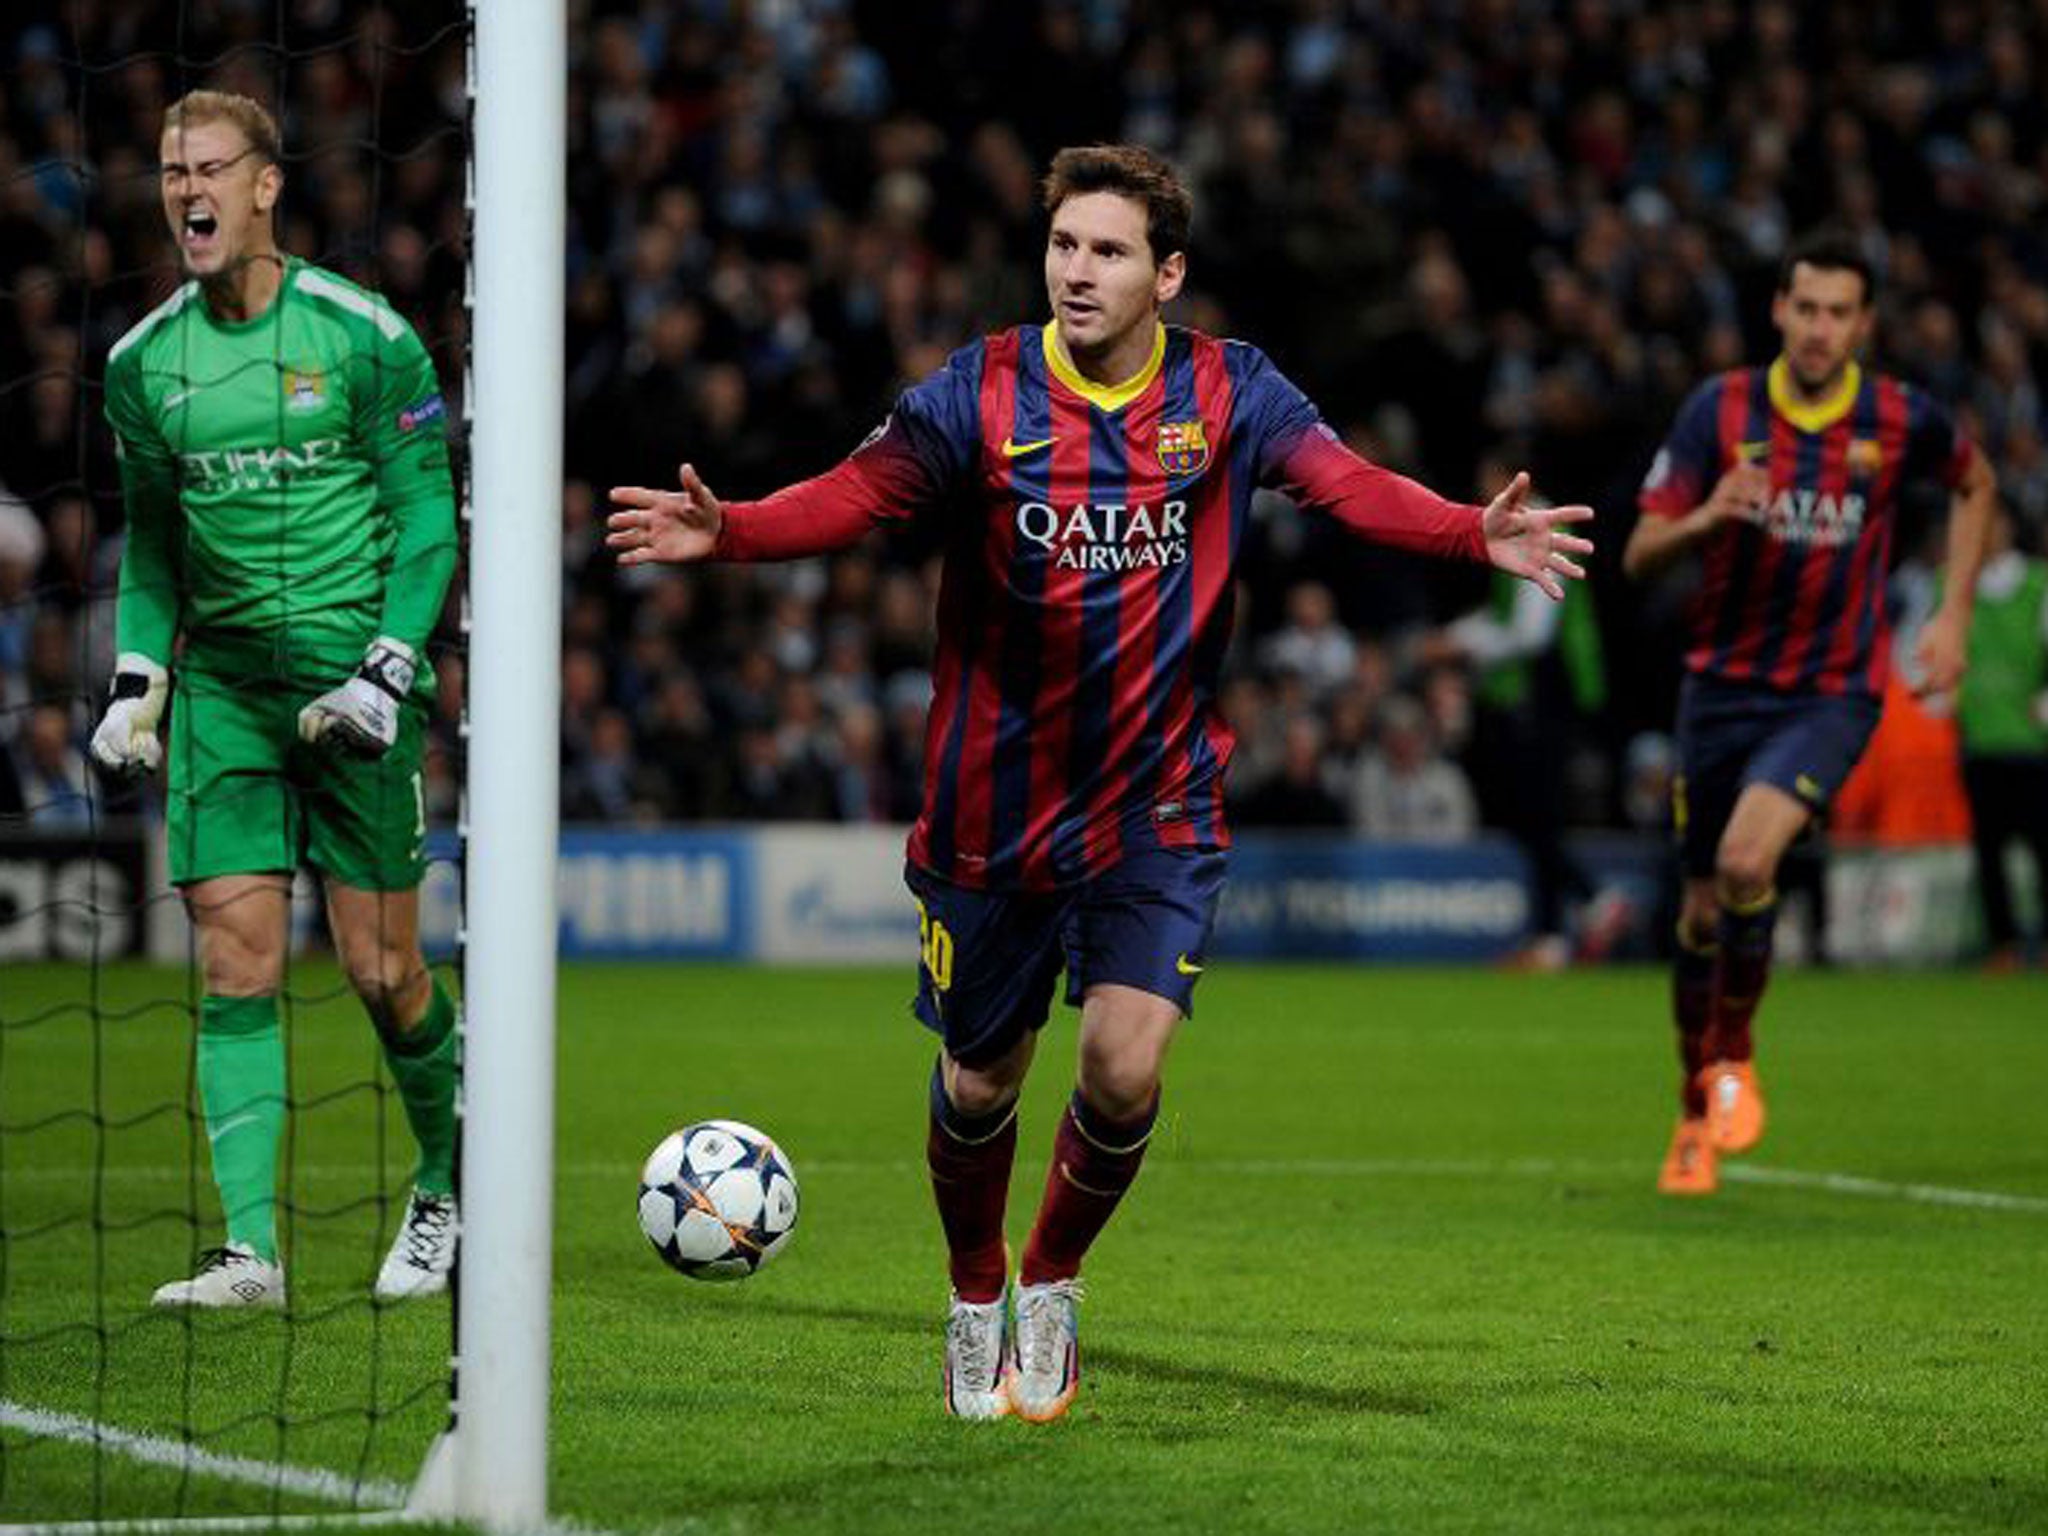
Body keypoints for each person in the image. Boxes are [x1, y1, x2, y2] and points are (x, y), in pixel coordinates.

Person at [608, 144, 1591, 1420]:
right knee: (981, 1084)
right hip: (991, 813)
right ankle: (973, 1297)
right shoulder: (983, 392)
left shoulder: (1231, 393)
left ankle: (1051, 1278)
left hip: (1156, 804)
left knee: (1125, 1072)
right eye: (1064, 245)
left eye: (1108, 250)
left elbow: (1346, 489)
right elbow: (858, 497)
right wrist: (731, 529)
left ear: (1165, 275)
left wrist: (1470, 530)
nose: (1078, 269)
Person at [91, 91, 461, 1305]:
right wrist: (139, 679)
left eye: (209, 168)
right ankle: (250, 1250)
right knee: (233, 961)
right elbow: (151, 546)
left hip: (358, 692)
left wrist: (392, 662)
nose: (186, 190)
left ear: (265, 185)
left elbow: (422, 515)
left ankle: (446, 1187)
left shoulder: (364, 336)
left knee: (382, 973)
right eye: (168, 171)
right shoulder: (142, 366)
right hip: (227, 701)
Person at [1624, 229, 1995, 1197]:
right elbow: (1636, 554)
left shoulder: (1895, 416)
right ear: (1778, 311)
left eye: (1839, 312)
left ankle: (1735, 1054)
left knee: (1748, 862)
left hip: (1830, 691)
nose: (1821, 328)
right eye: (1806, 308)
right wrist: (1707, 517)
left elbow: (1974, 481)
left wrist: (1952, 614)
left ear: (1862, 323)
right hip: (1718, 690)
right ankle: (1692, 1111)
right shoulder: (1722, 410)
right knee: (1700, 913)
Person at [1952, 506, 2048, 968]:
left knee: (2043, 848)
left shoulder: (2038, 585)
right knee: (1989, 852)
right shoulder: (1952, 587)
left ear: (2009, 527)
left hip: (2033, 744)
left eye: (1994, 523)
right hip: (1979, 740)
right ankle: (2003, 946)